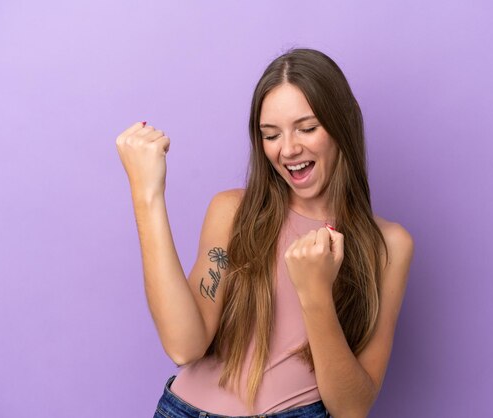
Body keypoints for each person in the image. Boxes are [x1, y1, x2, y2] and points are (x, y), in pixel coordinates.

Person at [116, 48, 414, 418]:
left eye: (307, 128)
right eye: (271, 135)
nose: (288, 149)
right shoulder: (232, 211)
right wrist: (147, 195)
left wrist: (315, 292)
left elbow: (352, 408)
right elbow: (184, 347)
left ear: (342, 124)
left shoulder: (388, 246)